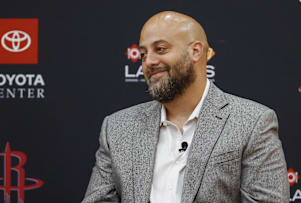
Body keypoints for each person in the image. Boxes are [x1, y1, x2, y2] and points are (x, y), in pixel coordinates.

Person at [82, 11, 289, 203]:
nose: (149, 62)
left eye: (160, 49)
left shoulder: (252, 122)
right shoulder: (117, 128)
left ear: (196, 51)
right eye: (143, 54)